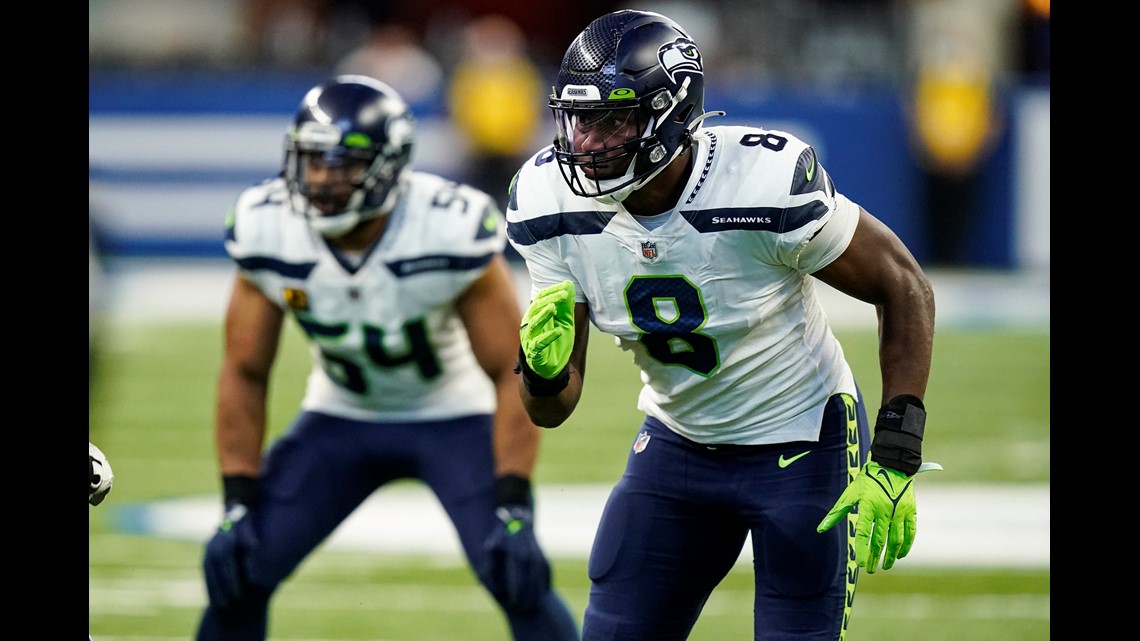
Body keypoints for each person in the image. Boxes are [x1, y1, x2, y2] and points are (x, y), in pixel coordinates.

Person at [505, 10, 939, 641]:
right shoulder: (547, 199)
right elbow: (552, 409)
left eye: (612, 121)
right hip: (678, 441)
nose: (586, 145)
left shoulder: (760, 180)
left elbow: (902, 285)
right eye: (577, 120)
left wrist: (897, 452)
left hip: (803, 440)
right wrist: (541, 374)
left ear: (671, 114)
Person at [194, 75, 579, 641]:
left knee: (515, 575)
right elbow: (245, 371)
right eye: (311, 160)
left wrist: (514, 501)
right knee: (240, 571)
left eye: (342, 163)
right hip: (340, 416)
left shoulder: (448, 224)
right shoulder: (266, 223)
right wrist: (236, 499)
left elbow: (508, 370)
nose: (322, 179)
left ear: (388, 165)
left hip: (453, 417)